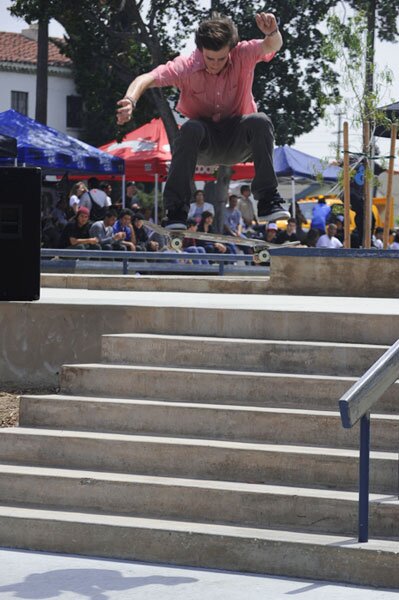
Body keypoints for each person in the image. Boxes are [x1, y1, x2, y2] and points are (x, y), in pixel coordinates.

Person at [116, 11, 289, 227]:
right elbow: (146, 78)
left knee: (260, 121)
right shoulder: (187, 66)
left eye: (221, 58)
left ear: (231, 50)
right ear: (200, 50)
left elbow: (272, 45)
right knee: (190, 128)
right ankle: (177, 209)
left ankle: (267, 201)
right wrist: (130, 100)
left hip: (238, 141)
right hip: (204, 144)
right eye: (209, 58)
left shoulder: (243, 53)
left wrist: (272, 31)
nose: (215, 64)